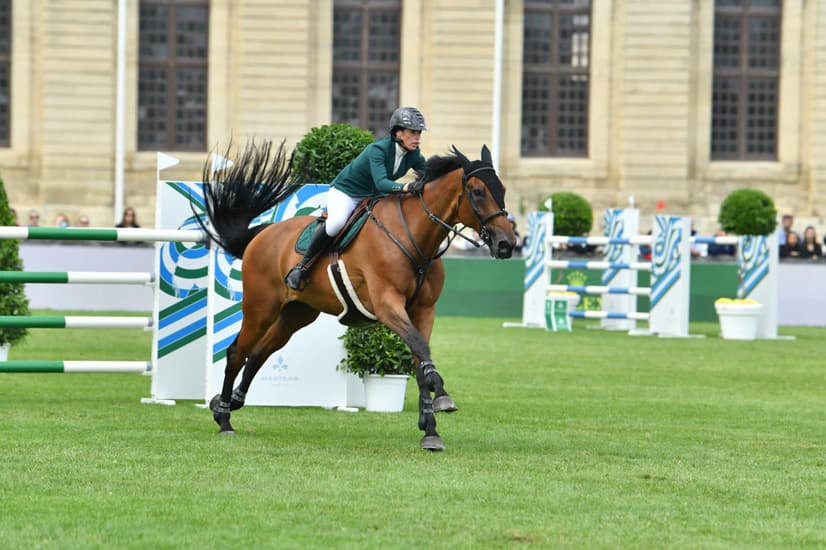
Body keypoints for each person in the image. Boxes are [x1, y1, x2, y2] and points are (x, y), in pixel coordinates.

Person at [285, 106, 428, 290]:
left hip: (372, 196)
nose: (417, 137)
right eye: (413, 132)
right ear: (398, 133)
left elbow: (428, 173)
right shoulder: (378, 149)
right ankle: (302, 267)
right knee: (336, 222)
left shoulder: (413, 154)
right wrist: (407, 187)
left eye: (419, 133)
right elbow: (382, 183)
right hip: (347, 192)